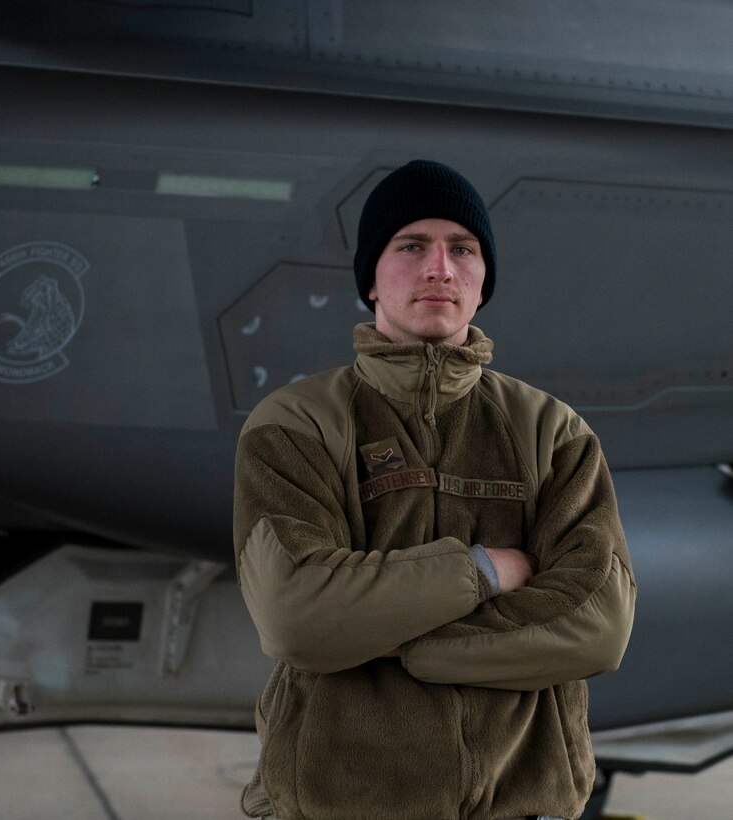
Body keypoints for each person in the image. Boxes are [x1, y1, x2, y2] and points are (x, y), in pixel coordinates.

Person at [233, 159, 636, 820]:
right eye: (411, 245)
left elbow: (598, 624)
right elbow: (296, 614)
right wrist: (485, 570)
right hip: (339, 806)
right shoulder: (296, 425)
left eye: (463, 248)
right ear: (371, 276)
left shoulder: (553, 433)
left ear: (483, 279)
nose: (440, 268)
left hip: (521, 805)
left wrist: (399, 643)